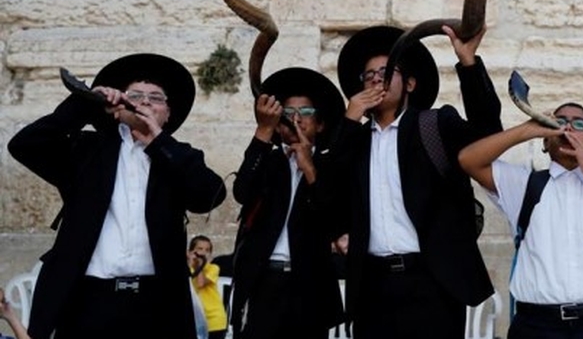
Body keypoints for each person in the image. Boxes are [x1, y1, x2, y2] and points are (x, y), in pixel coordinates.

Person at [7, 53, 227, 339]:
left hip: (156, 304)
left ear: (168, 113)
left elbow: (210, 195)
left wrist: (159, 142)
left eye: (156, 98)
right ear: (119, 106)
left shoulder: (179, 157)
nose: (146, 101)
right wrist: (86, 103)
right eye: (135, 95)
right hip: (89, 299)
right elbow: (26, 145)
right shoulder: (87, 152)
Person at [325, 24, 502, 339]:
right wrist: (350, 120)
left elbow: (488, 134)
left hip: (431, 282)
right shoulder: (353, 140)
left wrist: (469, 64)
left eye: (386, 71)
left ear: (409, 83)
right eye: (368, 75)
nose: (376, 78)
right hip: (372, 287)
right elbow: (327, 194)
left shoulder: (434, 125)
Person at [458, 103, 583, 339]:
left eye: (579, 124)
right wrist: (528, 129)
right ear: (546, 143)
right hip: (535, 326)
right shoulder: (524, 184)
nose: (568, 127)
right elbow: (468, 160)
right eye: (559, 122)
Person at [229, 67, 346, 339]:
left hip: (309, 287)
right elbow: (242, 191)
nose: (296, 119)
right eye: (288, 114)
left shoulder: (331, 168)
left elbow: (332, 220)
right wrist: (263, 131)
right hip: (263, 282)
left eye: (306, 113)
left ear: (320, 124)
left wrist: (309, 168)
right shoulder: (267, 161)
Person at [188, 235, 229, 339]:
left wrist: (199, 266)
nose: (203, 252)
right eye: (199, 249)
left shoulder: (213, 268)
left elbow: (200, 283)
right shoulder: (187, 269)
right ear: (191, 251)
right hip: (196, 320)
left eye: (207, 250)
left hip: (214, 321)